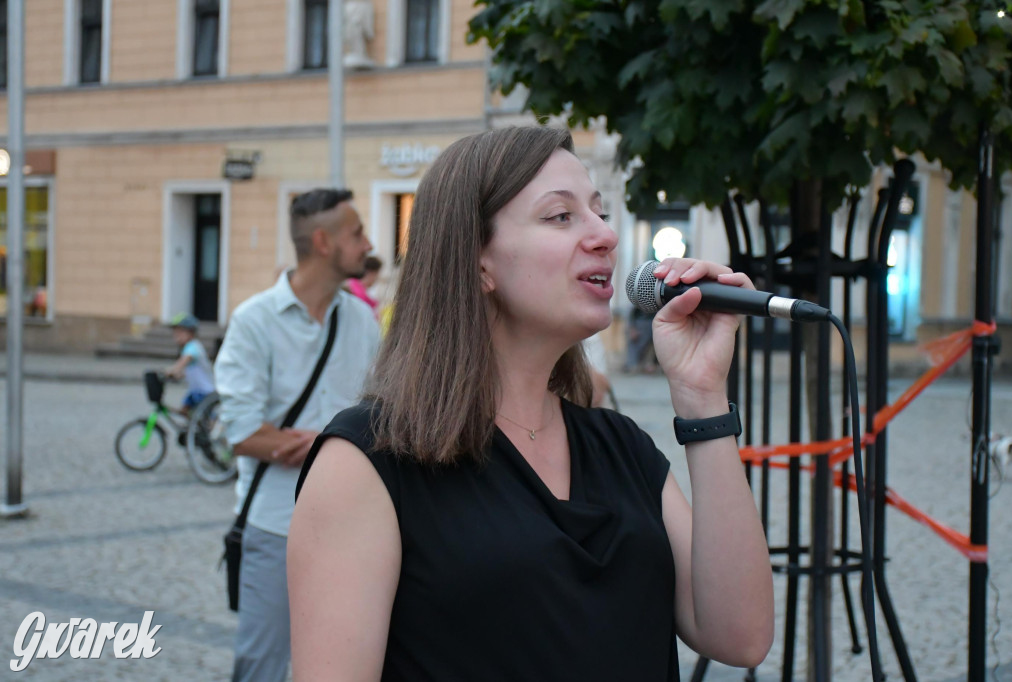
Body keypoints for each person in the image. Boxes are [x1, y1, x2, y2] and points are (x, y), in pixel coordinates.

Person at [289, 127, 774, 680]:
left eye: (598, 211)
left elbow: (740, 636)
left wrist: (701, 394)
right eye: (560, 217)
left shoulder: (620, 448)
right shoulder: (369, 462)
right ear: (476, 261)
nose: (605, 236)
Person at [215, 188, 380, 682]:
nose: (368, 243)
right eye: (356, 233)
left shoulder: (361, 319)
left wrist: (328, 444)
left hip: (356, 528)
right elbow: (243, 433)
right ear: (324, 242)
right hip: (275, 526)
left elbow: (376, 412)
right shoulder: (254, 321)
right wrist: (334, 447)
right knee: (261, 667)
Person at [164, 313, 214, 414]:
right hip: (195, 391)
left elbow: (183, 363)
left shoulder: (193, 346)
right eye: (175, 332)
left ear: (191, 333)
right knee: (184, 412)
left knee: (208, 422)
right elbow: (188, 370)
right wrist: (177, 375)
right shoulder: (188, 348)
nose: (176, 335)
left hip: (205, 392)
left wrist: (170, 371)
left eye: (180, 332)